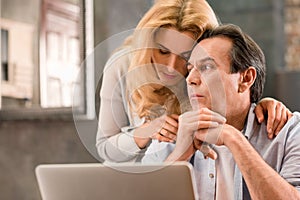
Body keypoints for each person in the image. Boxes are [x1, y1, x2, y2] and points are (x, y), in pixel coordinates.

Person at [96, 0, 291, 163]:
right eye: (163, 51)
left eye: (186, 55)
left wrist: (262, 105)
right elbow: (105, 148)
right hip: (126, 179)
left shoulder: (200, 79)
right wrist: (145, 132)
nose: (171, 66)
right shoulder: (122, 66)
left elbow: (233, 102)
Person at [142, 24, 300, 199]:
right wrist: (179, 156)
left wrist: (234, 139)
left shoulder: (290, 133)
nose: (191, 80)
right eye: (190, 70)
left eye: (207, 67)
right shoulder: (169, 137)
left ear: (245, 79)